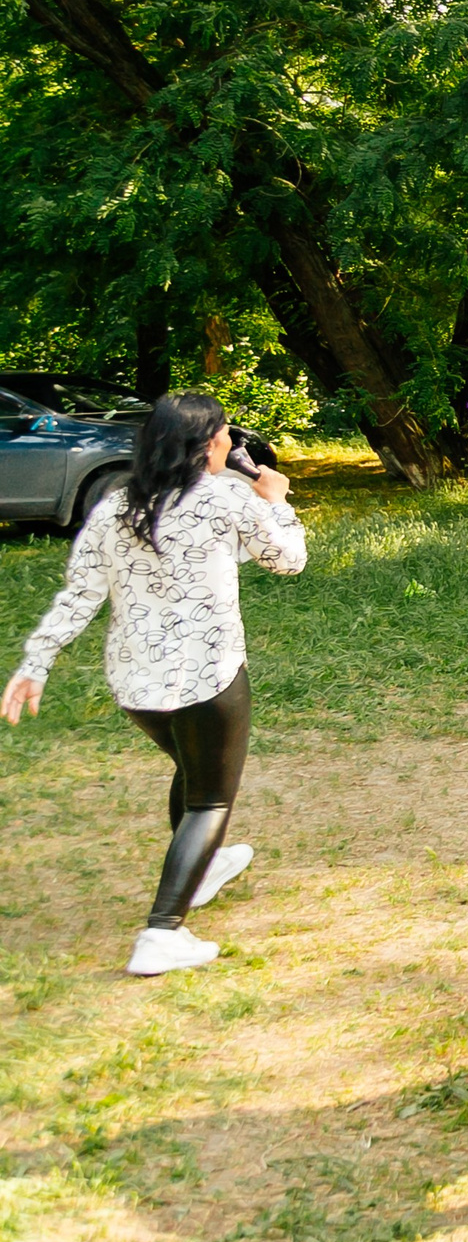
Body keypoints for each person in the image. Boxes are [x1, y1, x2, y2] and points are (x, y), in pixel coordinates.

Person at [3, 395, 304, 977]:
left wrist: (35, 663)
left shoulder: (118, 507)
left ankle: (205, 868)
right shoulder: (222, 501)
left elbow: (80, 594)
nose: (229, 444)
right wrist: (278, 503)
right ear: (203, 446)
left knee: (194, 773)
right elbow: (288, 560)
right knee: (211, 799)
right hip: (209, 678)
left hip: (137, 687)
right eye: (222, 436)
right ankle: (162, 933)